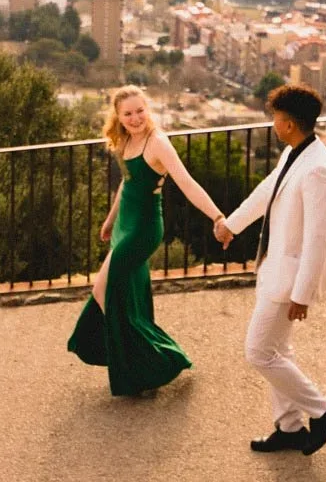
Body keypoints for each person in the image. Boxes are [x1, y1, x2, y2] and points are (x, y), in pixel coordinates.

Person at [68, 85, 228, 396]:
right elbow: (127, 185)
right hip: (124, 223)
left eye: (140, 110)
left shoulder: (158, 143)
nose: (135, 117)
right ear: (118, 116)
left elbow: (187, 182)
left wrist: (217, 216)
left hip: (143, 228)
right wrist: (110, 219)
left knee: (103, 291)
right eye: (128, 113)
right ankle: (142, 365)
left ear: (147, 108)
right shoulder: (124, 139)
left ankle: (154, 361)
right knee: (125, 296)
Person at [213, 82, 326, 456]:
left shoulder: (319, 170)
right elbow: (264, 193)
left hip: (289, 280)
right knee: (278, 350)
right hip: (274, 269)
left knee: (258, 352)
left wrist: (301, 295)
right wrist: (231, 226)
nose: (273, 124)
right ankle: (289, 428)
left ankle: (323, 409)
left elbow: (319, 240)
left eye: (275, 118)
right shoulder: (295, 154)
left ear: (288, 123)